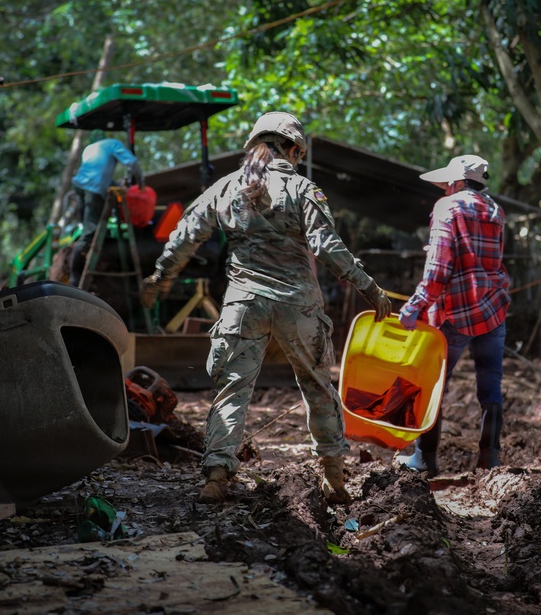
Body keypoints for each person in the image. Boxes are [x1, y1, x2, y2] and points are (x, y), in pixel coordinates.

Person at [140, 111, 391, 505]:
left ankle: (216, 478)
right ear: (292, 149)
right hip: (298, 306)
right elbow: (326, 248)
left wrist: (161, 278)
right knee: (317, 388)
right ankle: (335, 479)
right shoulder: (303, 188)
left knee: (232, 391)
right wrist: (370, 288)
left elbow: (186, 236)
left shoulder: (226, 187)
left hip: (244, 304)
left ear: (255, 145)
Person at [395, 154, 511, 477]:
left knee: (431, 385)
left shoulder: (448, 207)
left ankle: (424, 459)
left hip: (456, 312)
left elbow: (437, 271)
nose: (446, 188)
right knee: (491, 387)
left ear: (456, 182)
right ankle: (490, 460)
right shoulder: (495, 210)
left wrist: (412, 308)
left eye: (448, 184)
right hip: (493, 308)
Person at [69, 130, 145, 284]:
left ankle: (80, 264)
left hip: (79, 186)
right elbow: (132, 162)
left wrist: (117, 185)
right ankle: (75, 278)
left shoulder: (88, 149)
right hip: (92, 189)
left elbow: (97, 174)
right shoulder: (112, 144)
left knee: (86, 227)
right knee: (89, 233)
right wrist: (141, 183)